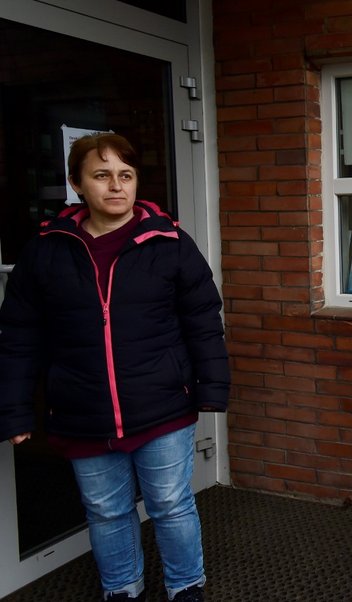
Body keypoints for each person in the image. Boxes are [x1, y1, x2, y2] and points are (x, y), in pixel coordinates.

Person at [0, 133, 230, 602]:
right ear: (76, 184)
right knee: (106, 510)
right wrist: (15, 409)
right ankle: (121, 588)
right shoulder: (46, 251)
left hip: (162, 400)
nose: (116, 187)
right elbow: (20, 336)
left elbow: (204, 319)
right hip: (82, 407)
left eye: (125, 175)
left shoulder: (169, 242)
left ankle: (186, 585)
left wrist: (212, 387)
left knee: (169, 503)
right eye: (101, 176)